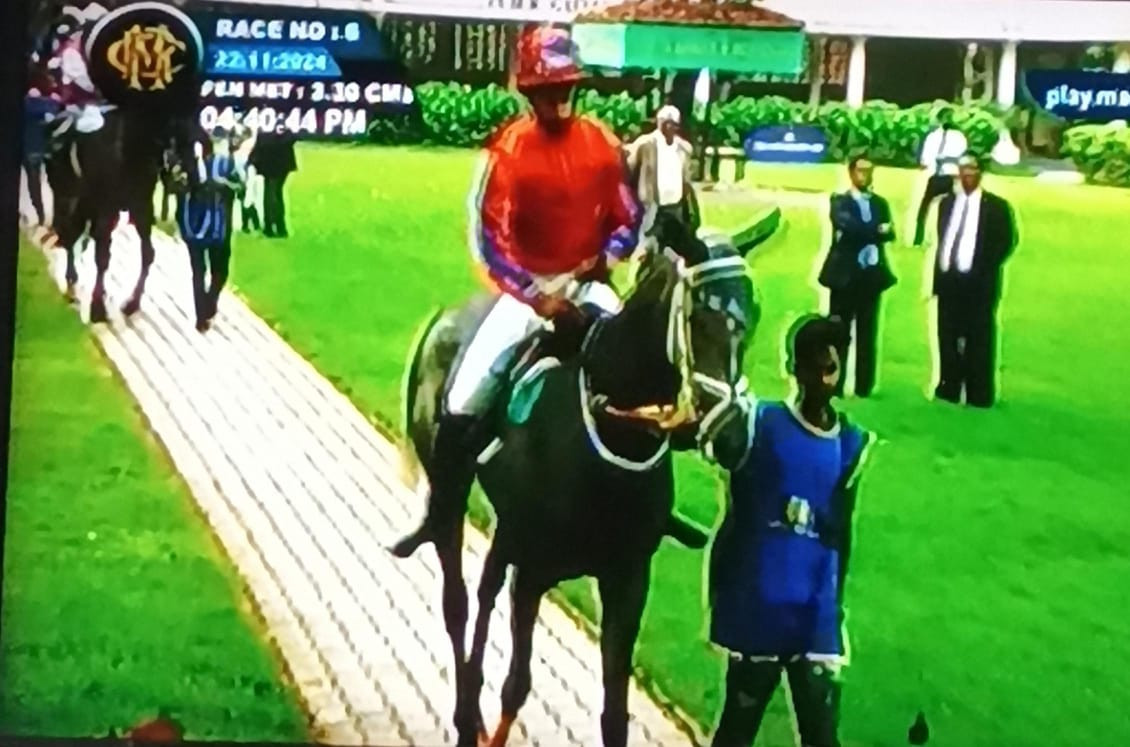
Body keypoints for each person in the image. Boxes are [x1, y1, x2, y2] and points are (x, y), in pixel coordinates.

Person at [390, 24, 641, 557]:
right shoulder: (507, 152)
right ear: (530, 92)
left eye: (566, 88)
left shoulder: (603, 143)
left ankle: (646, 502)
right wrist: (539, 297)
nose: (559, 99)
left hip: (590, 285)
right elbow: (490, 243)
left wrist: (608, 256)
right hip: (529, 293)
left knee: (638, 373)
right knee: (463, 396)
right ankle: (440, 510)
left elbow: (629, 217)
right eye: (548, 90)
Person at [707, 314, 873, 747]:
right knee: (736, 731)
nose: (825, 380)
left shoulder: (850, 444)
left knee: (822, 736)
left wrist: (834, 604)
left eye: (832, 369)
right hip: (759, 606)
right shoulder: (759, 423)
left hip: (814, 611)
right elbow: (726, 477)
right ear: (794, 368)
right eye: (816, 369)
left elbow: (842, 532)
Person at [932, 154, 1018, 408]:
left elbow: (1006, 242)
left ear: (981, 172)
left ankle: (979, 393)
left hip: (979, 284)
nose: (967, 173)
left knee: (979, 339)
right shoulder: (947, 203)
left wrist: (982, 268)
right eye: (964, 168)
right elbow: (943, 239)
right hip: (949, 282)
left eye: (972, 168)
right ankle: (948, 387)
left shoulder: (997, 207)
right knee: (947, 337)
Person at [817, 156, 897, 398]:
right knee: (838, 332)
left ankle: (864, 386)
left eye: (869, 170)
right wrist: (875, 231)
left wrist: (873, 232)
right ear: (851, 173)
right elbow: (849, 228)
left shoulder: (880, 203)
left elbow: (890, 232)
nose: (865, 175)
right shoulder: (840, 201)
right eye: (861, 170)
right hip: (844, 276)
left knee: (867, 333)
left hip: (871, 276)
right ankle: (836, 384)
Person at [172, 126, 244, 332]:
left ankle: (208, 303)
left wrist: (224, 184)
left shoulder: (227, 164)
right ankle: (202, 313)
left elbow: (240, 187)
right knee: (201, 271)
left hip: (215, 226)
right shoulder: (193, 165)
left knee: (215, 271)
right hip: (200, 225)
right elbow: (176, 187)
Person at [626, 104, 700, 253]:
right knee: (649, 243)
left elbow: (687, 178)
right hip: (652, 205)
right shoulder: (645, 144)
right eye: (666, 122)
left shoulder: (683, 148)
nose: (669, 127)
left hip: (677, 205)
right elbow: (629, 167)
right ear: (659, 122)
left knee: (676, 243)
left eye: (673, 124)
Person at [913, 107, 967, 247]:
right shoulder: (957, 137)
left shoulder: (935, 136)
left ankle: (920, 238)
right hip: (948, 177)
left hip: (941, 176)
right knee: (949, 209)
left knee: (927, 209)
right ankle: (944, 238)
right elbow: (963, 158)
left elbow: (924, 161)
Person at [23, 78, 60, 226]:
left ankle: (41, 215)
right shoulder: (42, 103)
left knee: (35, 183)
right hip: (35, 147)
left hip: (31, 147)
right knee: (37, 182)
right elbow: (53, 108)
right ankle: (41, 216)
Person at [250, 130, 297, 238]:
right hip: (282, 161)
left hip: (270, 159)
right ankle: (280, 227)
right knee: (276, 193)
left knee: (270, 194)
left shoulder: (266, 134)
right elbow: (292, 137)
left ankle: (270, 227)